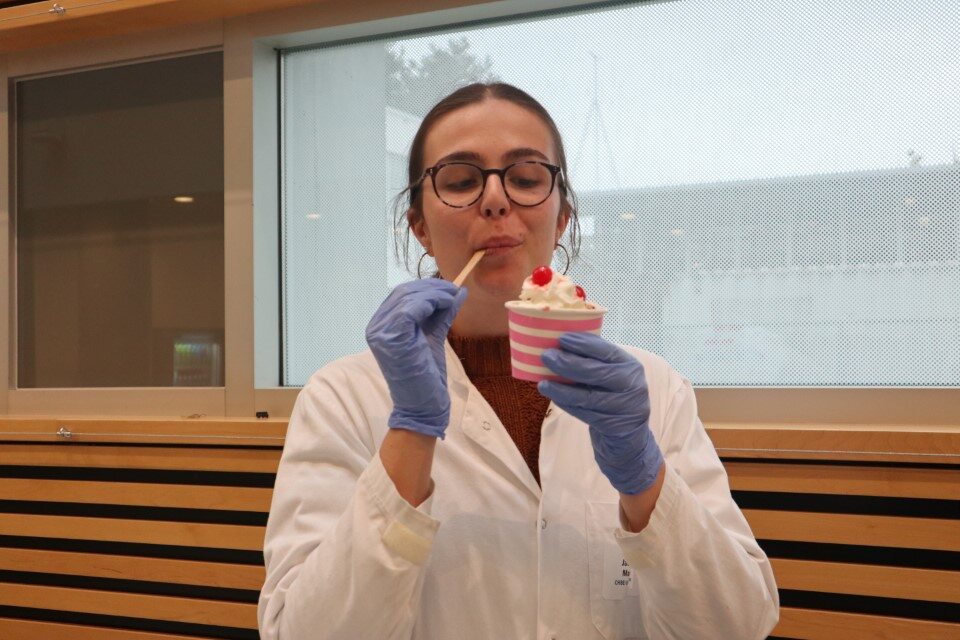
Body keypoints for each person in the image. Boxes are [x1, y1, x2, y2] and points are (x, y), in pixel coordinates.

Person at [258, 83, 779, 640]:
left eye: (526, 178)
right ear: (419, 229)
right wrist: (409, 431)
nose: (495, 199)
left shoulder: (654, 390)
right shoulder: (344, 398)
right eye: (460, 180)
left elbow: (738, 624)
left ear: (561, 220)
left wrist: (646, 480)